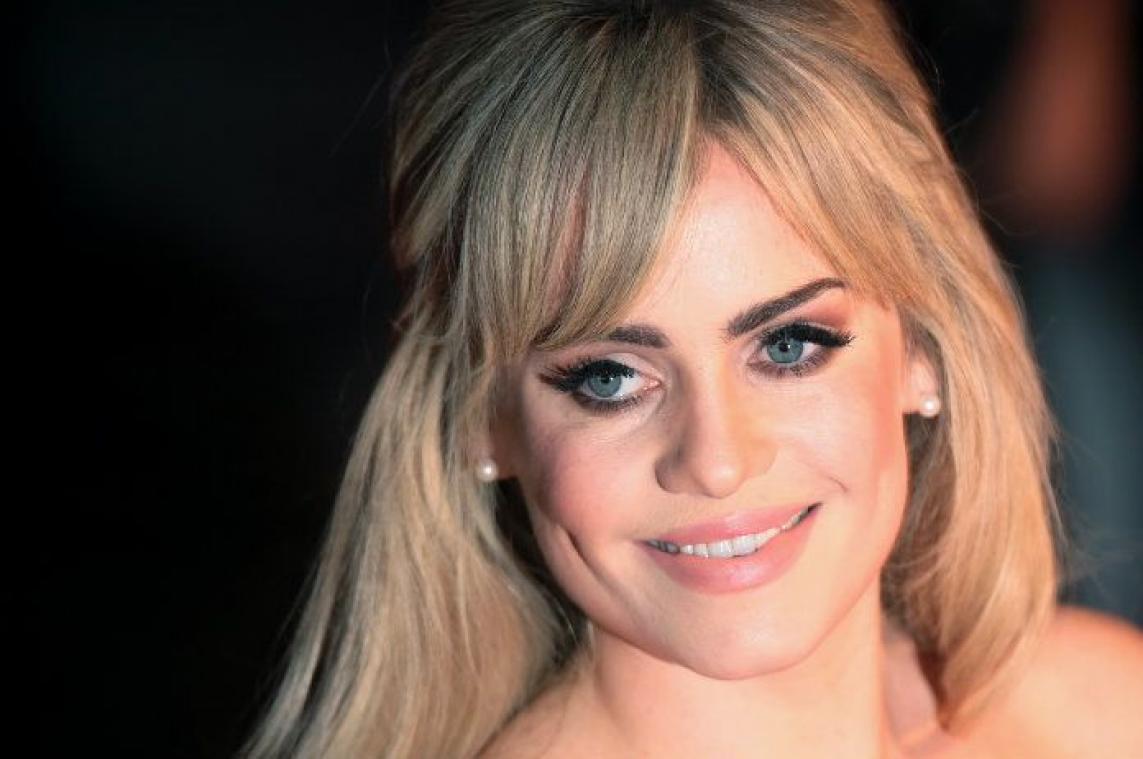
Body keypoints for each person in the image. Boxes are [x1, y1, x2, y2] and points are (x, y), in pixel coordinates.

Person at [241, 1, 1143, 756]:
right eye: (607, 377)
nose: (715, 460)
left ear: (919, 348)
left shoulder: (1105, 705)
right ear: (484, 415)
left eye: (788, 345)